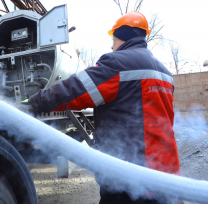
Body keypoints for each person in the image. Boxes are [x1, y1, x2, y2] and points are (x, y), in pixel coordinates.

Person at [25, 12, 180, 204]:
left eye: (113, 39)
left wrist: (35, 102)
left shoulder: (117, 64)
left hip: (128, 175)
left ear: (123, 36)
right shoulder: (164, 72)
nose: (111, 45)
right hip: (166, 174)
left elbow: (74, 91)